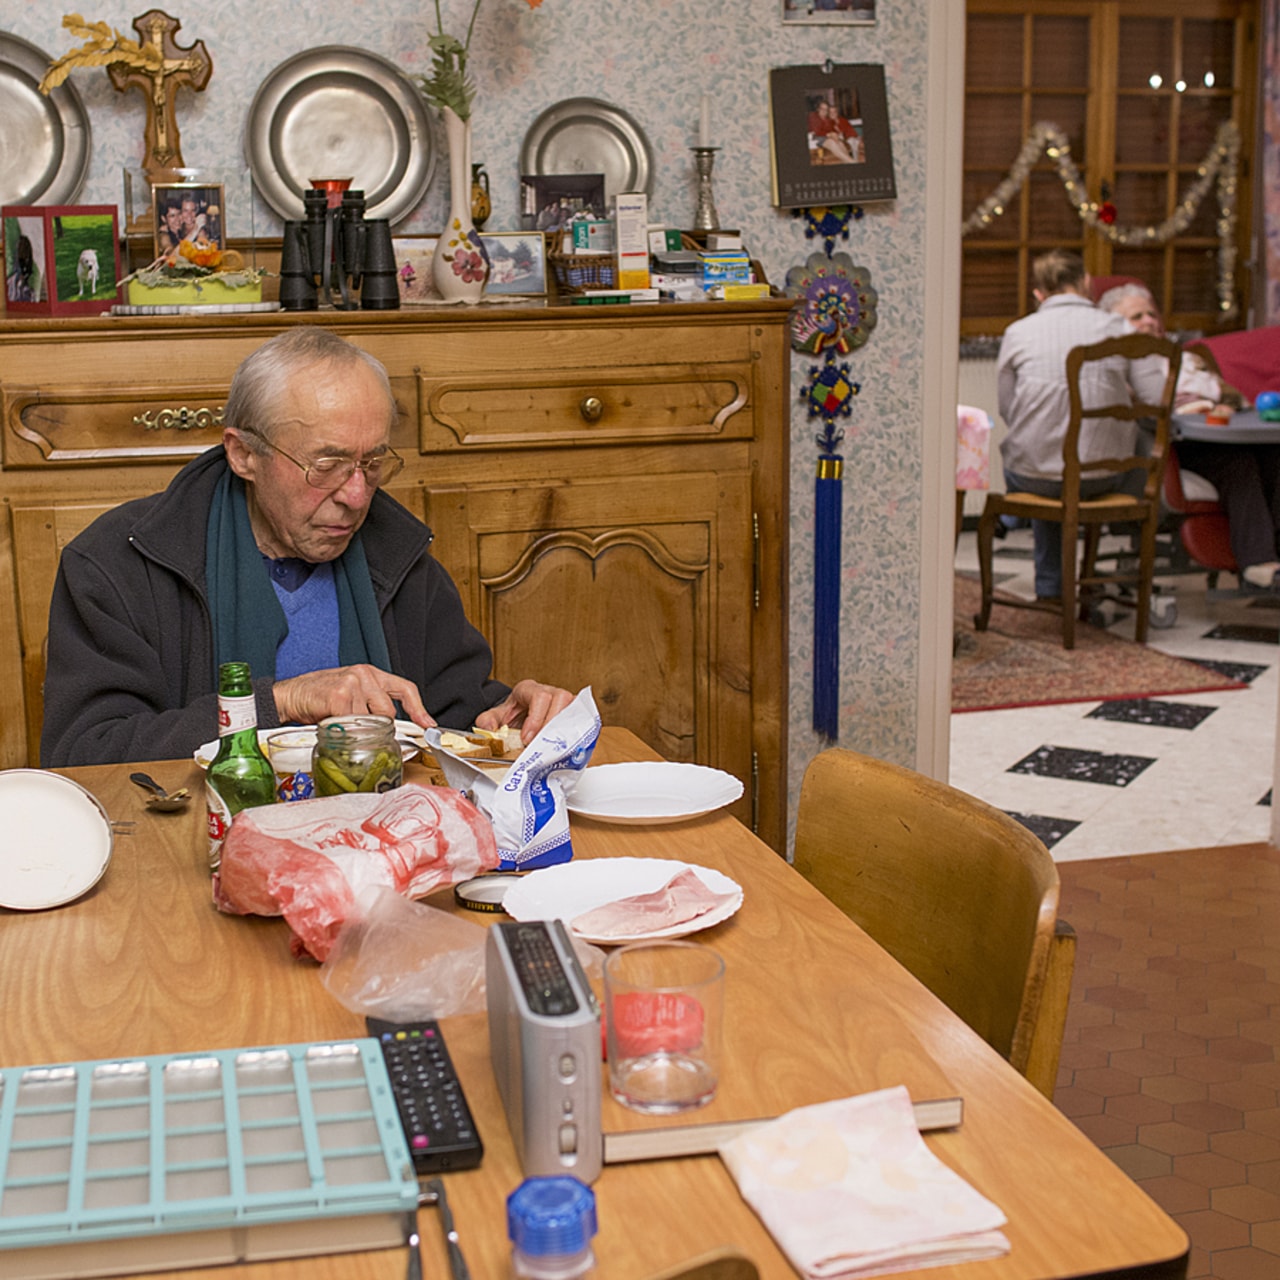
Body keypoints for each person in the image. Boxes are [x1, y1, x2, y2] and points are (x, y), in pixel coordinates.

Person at [40, 328, 576, 766]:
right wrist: (283, 702)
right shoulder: (119, 563)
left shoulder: (398, 552)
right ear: (243, 454)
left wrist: (506, 714)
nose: (357, 495)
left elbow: (451, 718)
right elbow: (85, 755)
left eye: (372, 463)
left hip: (375, 844)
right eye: (327, 466)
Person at [996, 249, 1167, 602]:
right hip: (1103, 476)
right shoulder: (1120, 328)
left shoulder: (1018, 332)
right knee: (1090, 462)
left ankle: (1051, 588)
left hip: (1035, 477)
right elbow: (1156, 404)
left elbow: (1010, 410)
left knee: (1044, 463)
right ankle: (1085, 575)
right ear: (1086, 283)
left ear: (1039, 294)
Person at [1098, 283, 1280, 591]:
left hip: (1222, 436)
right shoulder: (1119, 365)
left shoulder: (1187, 359)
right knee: (1239, 465)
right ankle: (1259, 562)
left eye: (1151, 314)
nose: (1148, 321)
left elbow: (1232, 395)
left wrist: (1229, 403)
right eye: (1136, 316)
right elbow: (1145, 409)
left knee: (1274, 456)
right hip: (1173, 447)